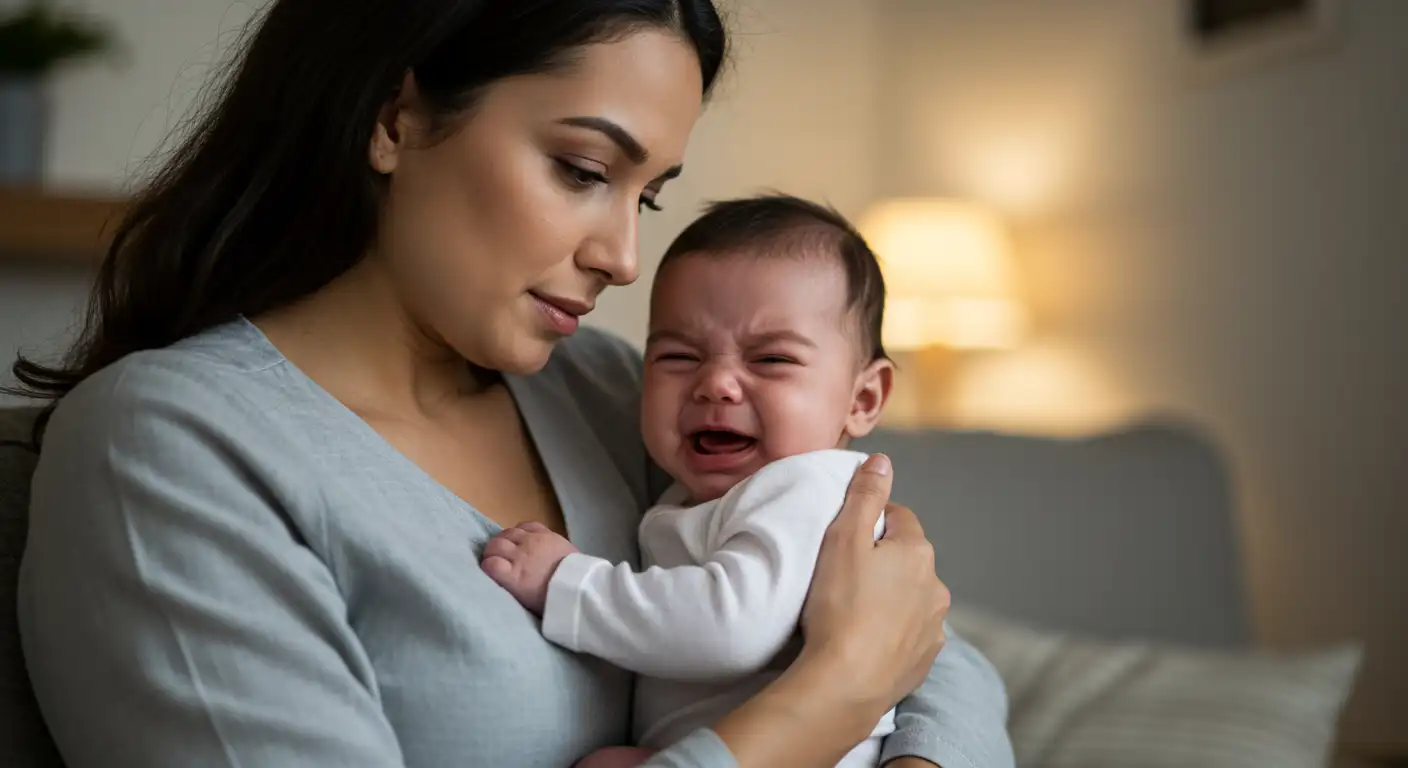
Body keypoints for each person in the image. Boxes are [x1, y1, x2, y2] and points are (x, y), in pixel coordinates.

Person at [9, 1, 1014, 767]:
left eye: (646, 198)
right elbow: (857, 661)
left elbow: (922, 642)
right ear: (395, 119)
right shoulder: (168, 447)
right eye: (583, 169)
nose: (623, 258)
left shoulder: (608, 393)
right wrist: (823, 705)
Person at [482, 195, 966, 768]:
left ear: (862, 400)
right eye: (679, 356)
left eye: (771, 360)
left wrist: (569, 584)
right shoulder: (699, 492)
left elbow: (733, 627)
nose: (716, 384)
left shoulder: (806, 489)